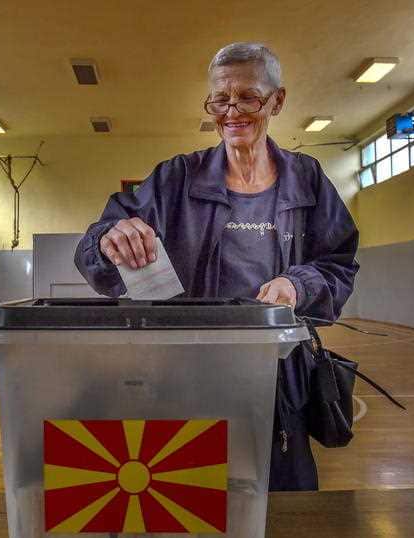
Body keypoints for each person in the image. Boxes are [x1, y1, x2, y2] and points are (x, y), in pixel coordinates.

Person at [74, 42, 359, 491]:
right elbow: (95, 245)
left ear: (277, 101)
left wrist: (297, 285)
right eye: (220, 99)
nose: (232, 111)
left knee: (279, 504)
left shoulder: (308, 180)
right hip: (185, 377)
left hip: (277, 383)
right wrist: (109, 240)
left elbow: (338, 264)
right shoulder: (175, 179)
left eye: (248, 97)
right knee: (189, 498)